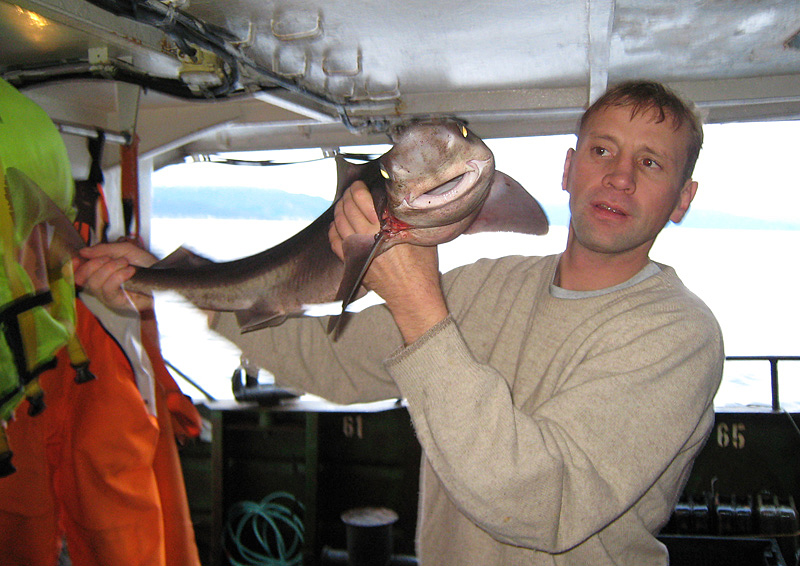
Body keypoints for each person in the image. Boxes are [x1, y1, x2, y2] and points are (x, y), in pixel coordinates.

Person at [75, 80, 724, 565]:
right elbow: (334, 361)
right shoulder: (482, 285)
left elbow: (539, 503)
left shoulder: (677, 334)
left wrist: (415, 293)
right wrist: (171, 284)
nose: (618, 176)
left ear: (683, 198)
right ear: (567, 166)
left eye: (651, 162)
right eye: (603, 150)